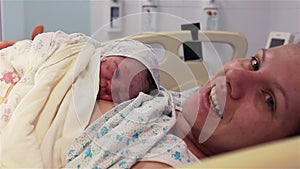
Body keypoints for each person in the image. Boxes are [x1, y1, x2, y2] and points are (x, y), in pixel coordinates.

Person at [64, 43, 300, 169]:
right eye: (256, 63)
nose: (235, 75)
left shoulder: (162, 162)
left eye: (270, 100)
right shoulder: (185, 103)